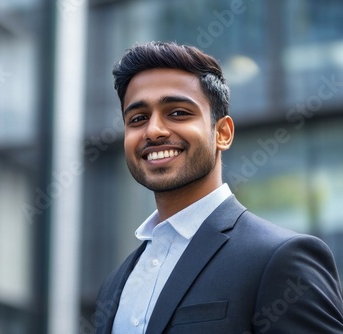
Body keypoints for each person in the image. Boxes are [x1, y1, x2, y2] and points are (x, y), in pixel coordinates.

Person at [94, 41, 343, 334]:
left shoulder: (280, 258)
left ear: (222, 133)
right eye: (137, 119)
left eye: (178, 113)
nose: (154, 130)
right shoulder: (114, 284)